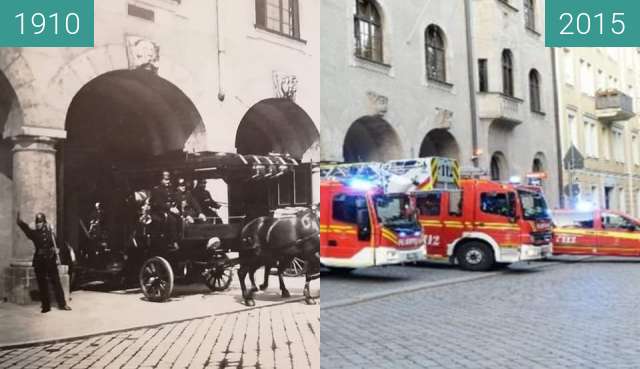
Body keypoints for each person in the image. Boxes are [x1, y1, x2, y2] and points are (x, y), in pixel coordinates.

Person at [16, 212, 72, 313]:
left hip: (50, 260)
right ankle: (46, 306)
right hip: (39, 261)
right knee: (42, 284)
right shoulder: (34, 234)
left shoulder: (50, 233)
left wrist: (57, 250)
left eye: (40, 222)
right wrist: (20, 222)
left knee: (56, 282)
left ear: (44, 222)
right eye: (37, 222)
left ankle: (62, 304)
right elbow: (26, 229)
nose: (38, 224)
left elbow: (57, 243)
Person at [150, 171, 181, 250]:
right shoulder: (156, 189)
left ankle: (179, 238)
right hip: (159, 211)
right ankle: (173, 241)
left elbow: (174, 198)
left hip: (169, 209)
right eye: (165, 180)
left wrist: (175, 205)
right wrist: (170, 208)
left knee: (180, 219)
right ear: (161, 180)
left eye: (168, 179)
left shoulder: (170, 189)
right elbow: (158, 203)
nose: (168, 181)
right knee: (172, 220)